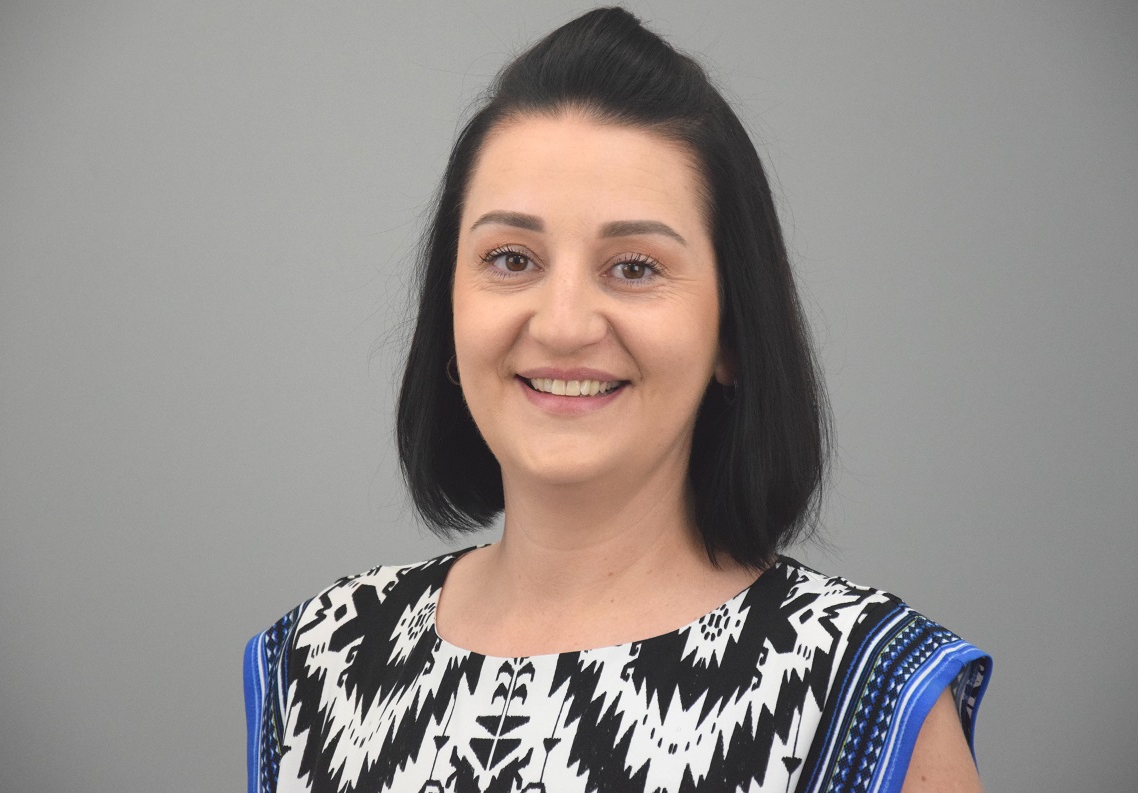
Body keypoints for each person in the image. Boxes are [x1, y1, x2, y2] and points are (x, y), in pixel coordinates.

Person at [243, 8, 990, 792]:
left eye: (634, 267)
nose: (563, 325)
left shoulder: (864, 688)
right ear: (449, 314)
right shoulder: (320, 660)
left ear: (731, 332)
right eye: (511, 258)